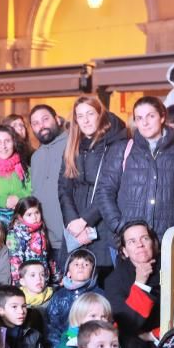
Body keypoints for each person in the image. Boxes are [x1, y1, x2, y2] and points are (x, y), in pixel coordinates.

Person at [59, 96, 128, 273]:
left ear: (100, 115)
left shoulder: (115, 143)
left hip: (103, 223)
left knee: (104, 286)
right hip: (75, 224)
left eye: (90, 113)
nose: (86, 120)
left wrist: (85, 221)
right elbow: (64, 188)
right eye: (80, 116)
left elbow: (111, 188)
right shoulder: (72, 145)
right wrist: (73, 223)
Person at [97, 97, 174, 243]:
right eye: (139, 118)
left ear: (162, 117)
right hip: (128, 241)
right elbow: (104, 191)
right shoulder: (122, 149)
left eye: (151, 116)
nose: (145, 123)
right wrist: (120, 226)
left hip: (166, 240)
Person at [102, 221, 161, 348]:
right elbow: (126, 324)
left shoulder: (173, 268)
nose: (140, 245)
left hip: (166, 336)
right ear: (124, 251)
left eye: (145, 239)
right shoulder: (113, 281)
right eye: (132, 241)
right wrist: (140, 283)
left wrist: (153, 335)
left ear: (153, 244)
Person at [51, 292, 128, 348]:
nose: (99, 321)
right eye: (93, 316)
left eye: (103, 317)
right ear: (78, 319)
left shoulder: (112, 344)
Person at [28, 104, 68, 258]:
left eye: (45, 119)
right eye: (36, 123)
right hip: (48, 242)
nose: (41, 126)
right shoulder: (36, 157)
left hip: (75, 238)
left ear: (57, 120)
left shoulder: (73, 145)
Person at [45, 248, 100, 348]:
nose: (81, 267)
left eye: (86, 264)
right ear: (68, 272)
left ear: (93, 272)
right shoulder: (59, 296)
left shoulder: (99, 296)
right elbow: (52, 327)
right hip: (65, 344)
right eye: (76, 264)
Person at [5, 197, 52, 285]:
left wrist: (56, 275)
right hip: (27, 284)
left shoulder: (40, 231)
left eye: (37, 213)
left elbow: (46, 257)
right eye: (29, 214)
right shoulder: (15, 234)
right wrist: (19, 284)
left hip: (42, 280)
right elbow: (15, 261)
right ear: (20, 216)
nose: (34, 217)